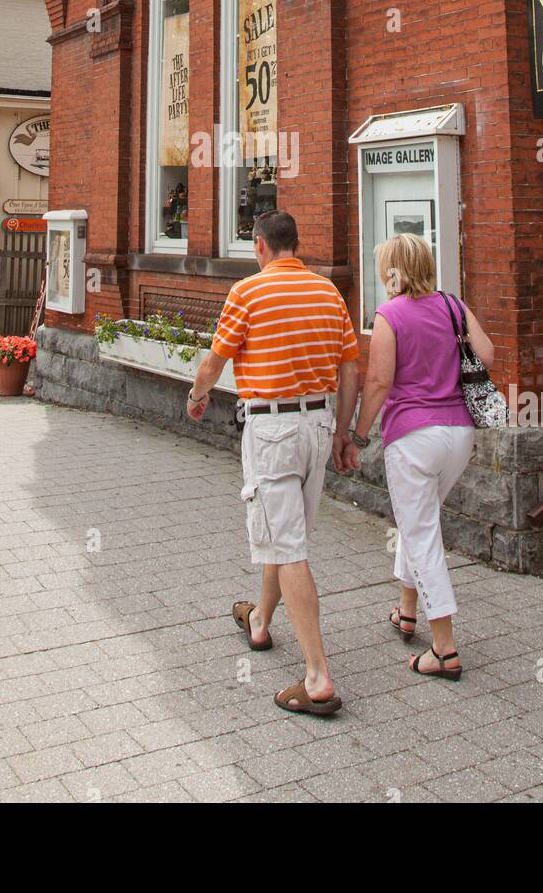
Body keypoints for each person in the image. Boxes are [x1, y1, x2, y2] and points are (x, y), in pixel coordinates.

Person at [186, 210, 360, 718]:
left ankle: (318, 676)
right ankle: (260, 620)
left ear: (260, 245)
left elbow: (216, 360)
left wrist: (197, 396)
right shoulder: (329, 293)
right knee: (285, 537)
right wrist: (345, 435)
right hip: (318, 426)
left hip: (273, 429)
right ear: (296, 244)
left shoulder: (248, 292)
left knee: (286, 547)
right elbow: (350, 370)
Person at [352, 234, 493, 682]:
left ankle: (445, 648)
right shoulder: (453, 305)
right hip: (459, 433)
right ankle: (407, 611)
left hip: (414, 436)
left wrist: (356, 436)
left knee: (421, 534)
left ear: (392, 270)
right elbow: (487, 355)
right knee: (420, 523)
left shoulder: (390, 315)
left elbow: (377, 381)